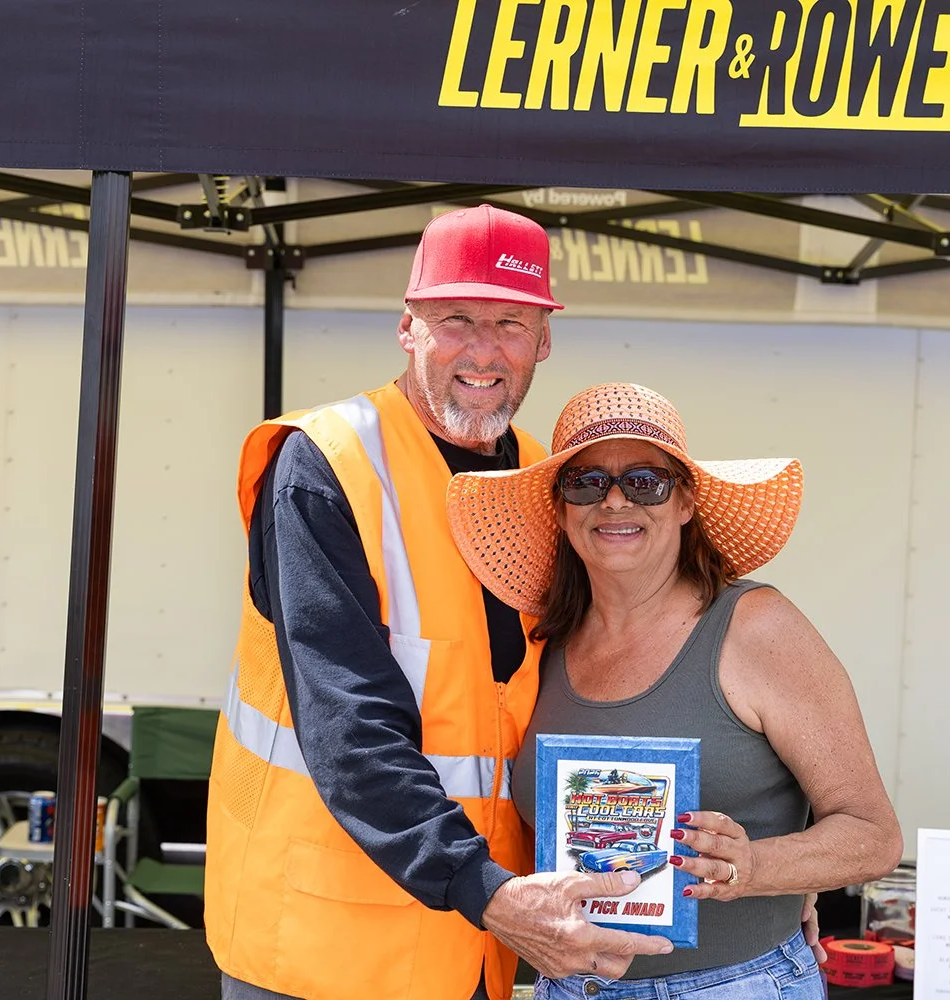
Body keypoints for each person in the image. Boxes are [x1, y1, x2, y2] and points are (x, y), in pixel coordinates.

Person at [202, 206, 680, 1000]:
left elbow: (615, 669)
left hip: (478, 944)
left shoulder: (547, 478)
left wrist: (764, 864)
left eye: (511, 323)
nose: (484, 351)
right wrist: (485, 890)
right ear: (408, 328)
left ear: (544, 341)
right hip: (326, 949)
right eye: (456, 318)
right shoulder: (326, 465)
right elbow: (349, 722)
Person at [445, 382, 905, 999]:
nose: (614, 500)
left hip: (734, 986)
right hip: (571, 985)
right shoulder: (539, 644)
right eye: (585, 482)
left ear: (686, 501)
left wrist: (758, 869)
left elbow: (873, 836)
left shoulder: (756, 628)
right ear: (560, 508)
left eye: (645, 481)